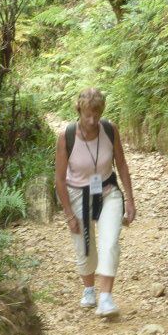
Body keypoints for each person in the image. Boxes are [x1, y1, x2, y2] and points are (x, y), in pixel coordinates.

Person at [54, 88, 136, 317]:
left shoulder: (109, 130)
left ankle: (106, 298)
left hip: (108, 190)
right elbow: (59, 179)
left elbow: (121, 165)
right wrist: (69, 214)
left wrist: (129, 199)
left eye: (97, 114)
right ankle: (89, 288)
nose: (92, 120)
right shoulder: (66, 137)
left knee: (109, 242)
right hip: (78, 193)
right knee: (84, 247)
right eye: (88, 114)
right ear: (79, 110)